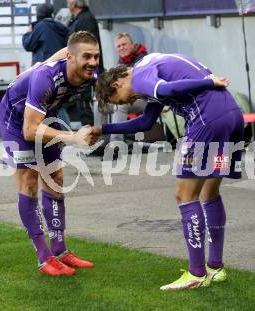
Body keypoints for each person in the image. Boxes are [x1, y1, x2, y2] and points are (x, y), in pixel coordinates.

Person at [92, 53, 244, 290]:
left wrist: (209, 82)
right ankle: (215, 267)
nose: (129, 102)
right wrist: (102, 129)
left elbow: (166, 90)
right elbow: (145, 122)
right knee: (209, 193)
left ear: (117, 83)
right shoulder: (152, 65)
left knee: (185, 195)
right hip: (232, 116)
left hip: (207, 120)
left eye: (122, 100)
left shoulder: (140, 76)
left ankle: (196, 273)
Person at [0, 31, 99, 276]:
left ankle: (61, 251)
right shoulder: (46, 77)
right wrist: (72, 136)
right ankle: (44, 258)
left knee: (56, 181)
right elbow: (30, 129)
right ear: (71, 57)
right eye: (87, 56)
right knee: (30, 182)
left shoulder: (88, 73)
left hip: (46, 114)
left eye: (96, 56)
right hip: (18, 120)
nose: (93, 62)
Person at [22, 2, 70, 128]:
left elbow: (28, 44)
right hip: (62, 70)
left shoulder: (41, 26)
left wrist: (28, 33)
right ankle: (62, 132)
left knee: (47, 103)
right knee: (56, 102)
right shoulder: (62, 27)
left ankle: (65, 132)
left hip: (45, 72)